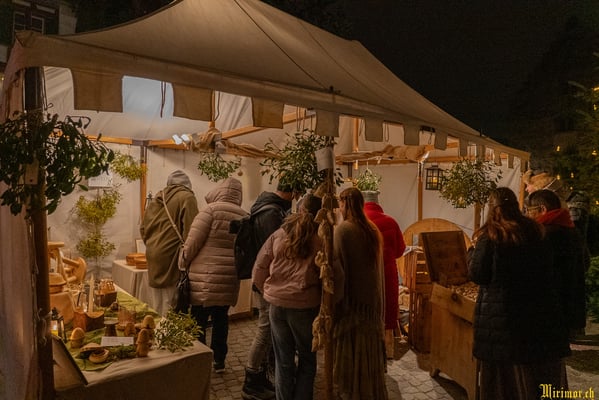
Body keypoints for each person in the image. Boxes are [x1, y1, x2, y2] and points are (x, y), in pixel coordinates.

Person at [468, 187, 570, 399]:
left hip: (502, 320)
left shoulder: (492, 235)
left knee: (502, 381)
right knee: (530, 377)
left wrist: (471, 254)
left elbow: (478, 274)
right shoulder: (536, 231)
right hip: (535, 313)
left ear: (492, 208)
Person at [252, 194, 323, 400]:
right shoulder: (321, 239)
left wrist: (268, 292)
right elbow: (332, 274)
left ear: (299, 210)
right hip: (305, 305)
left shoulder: (279, 234)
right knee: (307, 359)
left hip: (277, 305)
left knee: (283, 360)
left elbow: (259, 268)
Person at [179, 177, 248, 373]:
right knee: (221, 319)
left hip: (204, 278)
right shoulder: (244, 216)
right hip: (229, 277)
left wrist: (182, 263)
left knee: (198, 320)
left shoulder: (209, 211)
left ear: (219, 190)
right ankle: (219, 360)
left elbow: (192, 243)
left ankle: (199, 361)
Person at [242, 181, 296, 400]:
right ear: (292, 192)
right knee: (264, 328)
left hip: (263, 277)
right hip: (266, 280)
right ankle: (251, 379)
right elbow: (275, 251)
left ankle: (260, 375)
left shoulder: (265, 206)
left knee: (267, 327)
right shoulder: (272, 213)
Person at [332, 187, 388, 400]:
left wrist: (336, 304)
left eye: (340, 203)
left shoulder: (344, 230)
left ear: (345, 204)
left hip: (353, 304)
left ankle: (353, 392)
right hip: (370, 303)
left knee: (353, 351)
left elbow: (339, 270)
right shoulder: (371, 229)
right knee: (367, 351)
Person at [526, 189, 587, 338]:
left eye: (529, 210)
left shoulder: (543, 234)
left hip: (549, 308)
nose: (527, 215)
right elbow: (586, 262)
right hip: (571, 306)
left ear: (542, 209)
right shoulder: (573, 231)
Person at [140, 170, 199, 316]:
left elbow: (143, 229)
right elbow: (192, 234)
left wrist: (154, 244)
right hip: (172, 255)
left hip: (153, 254)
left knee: (156, 304)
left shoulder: (157, 199)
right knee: (171, 304)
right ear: (187, 185)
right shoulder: (187, 197)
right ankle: (167, 330)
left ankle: (156, 328)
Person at [363, 193, 406, 358]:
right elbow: (400, 250)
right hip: (388, 273)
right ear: (378, 203)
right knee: (388, 310)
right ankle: (388, 350)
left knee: (368, 310)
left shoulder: (358, 222)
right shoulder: (391, 221)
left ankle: (368, 351)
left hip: (366, 273)